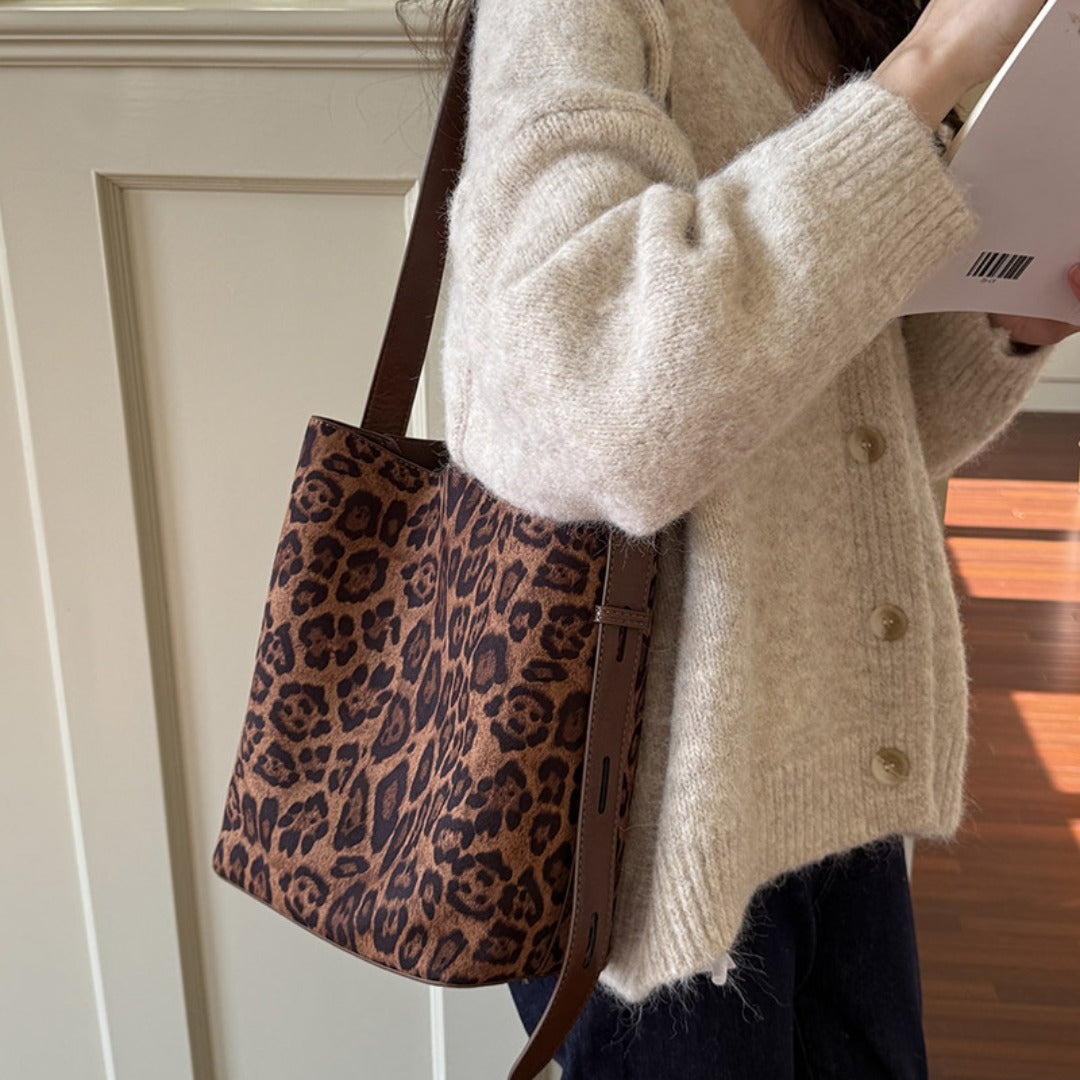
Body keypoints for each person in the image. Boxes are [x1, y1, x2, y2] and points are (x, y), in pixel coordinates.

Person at [396, 0, 1080, 1075]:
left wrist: (1009, 321)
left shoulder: (842, 12)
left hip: (832, 769)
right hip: (648, 822)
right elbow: (586, 401)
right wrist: (933, 62)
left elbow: (859, 430)